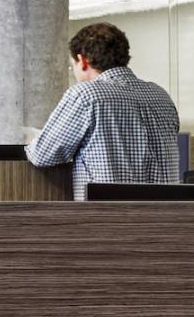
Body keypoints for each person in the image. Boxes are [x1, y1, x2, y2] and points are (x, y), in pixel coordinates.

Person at [26, 22, 180, 199]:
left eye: (72, 66)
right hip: (165, 219)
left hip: (108, 219)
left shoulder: (86, 95)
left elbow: (43, 155)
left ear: (83, 61)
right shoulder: (161, 96)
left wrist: (32, 137)